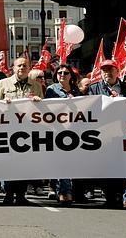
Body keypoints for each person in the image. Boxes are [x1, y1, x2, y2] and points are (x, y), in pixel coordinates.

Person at [87, 59, 126, 209]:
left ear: (117, 71)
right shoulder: (94, 88)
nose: (107, 73)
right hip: (104, 133)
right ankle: (111, 197)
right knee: (109, 165)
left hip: (124, 132)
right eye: (104, 70)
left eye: (110, 70)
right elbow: (91, 108)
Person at [0, 57, 43, 205]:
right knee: (8, 163)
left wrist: (38, 102)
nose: (22, 68)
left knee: (24, 163)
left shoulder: (36, 85)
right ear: (13, 68)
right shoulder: (3, 83)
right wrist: (3, 103)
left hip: (27, 131)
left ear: (29, 68)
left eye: (25, 65)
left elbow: (44, 108)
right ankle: (8, 194)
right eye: (19, 65)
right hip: (8, 130)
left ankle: (21, 195)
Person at [45, 64, 81, 205]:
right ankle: (65, 192)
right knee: (62, 160)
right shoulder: (51, 90)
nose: (62, 75)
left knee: (67, 161)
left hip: (74, 131)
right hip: (56, 130)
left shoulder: (76, 91)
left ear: (71, 76)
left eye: (66, 73)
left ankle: (57, 187)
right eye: (59, 72)